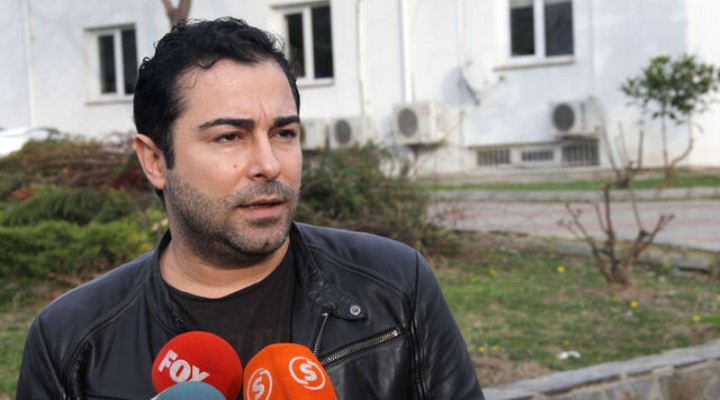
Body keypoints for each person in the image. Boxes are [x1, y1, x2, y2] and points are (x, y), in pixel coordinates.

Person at [16, 17, 484, 399]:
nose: (268, 164)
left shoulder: (395, 286)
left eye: (284, 133)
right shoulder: (71, 341)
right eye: (229, 137)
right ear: (155, 161)